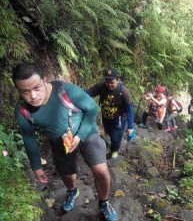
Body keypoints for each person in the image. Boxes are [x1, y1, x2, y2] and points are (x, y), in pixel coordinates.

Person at [12, 63, 117, 221]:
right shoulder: (22, 110)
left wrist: (79, 136)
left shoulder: (64, 90)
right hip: (60, 141)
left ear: (45, 80)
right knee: (67, 175)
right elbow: (28, 137)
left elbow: (92, 109)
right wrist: (36, 166)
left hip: (86, 132)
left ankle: (104, 203)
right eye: (25, 92)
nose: (33, 96)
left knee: (101, 171)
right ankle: (72, 191)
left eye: (37, 88)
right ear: (18, 90)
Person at [86, 68, 135, 159]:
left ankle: (114, 150)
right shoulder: (101, 86)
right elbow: (88, 92)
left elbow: (129, 109)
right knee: (108, 132)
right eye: (107, 81)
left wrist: (131, 127)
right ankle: (109, 142)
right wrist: (75, 93)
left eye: (112, 82)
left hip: (119, 118)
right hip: (106, 116)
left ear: (117, 79)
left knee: (116, 137)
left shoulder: (123, 92)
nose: (109, 84)